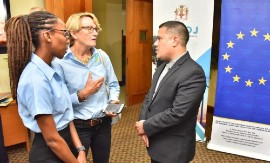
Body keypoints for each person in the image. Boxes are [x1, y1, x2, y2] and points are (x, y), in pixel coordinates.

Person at [5, 11, 86, 163]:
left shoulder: (54, 67)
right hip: (49, 153)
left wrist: (80, 149)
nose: (68, 40)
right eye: (64, 33)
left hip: (66, 145)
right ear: (48, 36)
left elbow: (66, 116)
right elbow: (52, 140)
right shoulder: (35, 79)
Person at [52, 12, 120, 163]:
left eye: (95, 29)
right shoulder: (60, 62)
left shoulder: (102, 57)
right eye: (88, 28)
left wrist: (113, 101)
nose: (94, 32)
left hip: (103, 124)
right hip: (77, 127)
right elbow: (58, 102)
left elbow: (114, 84)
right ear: (73, 33)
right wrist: (82, 94)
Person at [135, 21, 206, 163]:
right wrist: (143, 120)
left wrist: (146, 126)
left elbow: (178, 113)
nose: (155, 43)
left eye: (160, 38)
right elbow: (150, 96)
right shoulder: (162, 66)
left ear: (175, 40)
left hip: (173, 151)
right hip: (156, 142)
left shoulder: (193, 72)